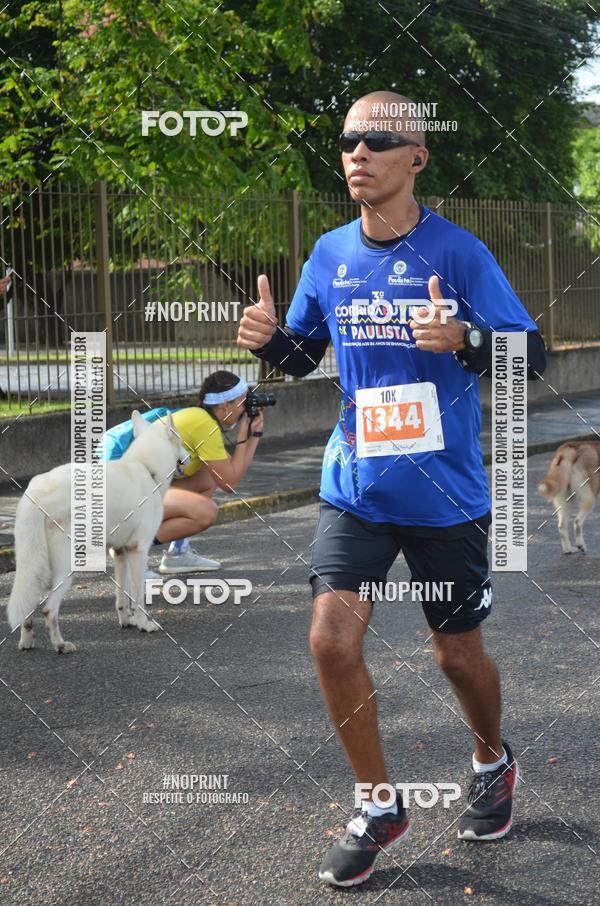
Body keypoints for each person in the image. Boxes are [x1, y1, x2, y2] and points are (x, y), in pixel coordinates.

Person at [237, 90, 547, 887]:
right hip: (357, 485)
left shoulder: (460, 253)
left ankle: (490, 758)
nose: (357, 153)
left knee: (456, 655)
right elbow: (307, 356)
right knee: (330, 640)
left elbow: (531, 356)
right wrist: (274, 342)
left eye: (377, 140)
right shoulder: (329, 255)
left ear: (418, 157)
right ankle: (378, 803)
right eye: (347, 141)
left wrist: (471, 338)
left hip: (446, 496)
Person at [103, 371, 264, 575]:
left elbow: (231, 472)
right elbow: (229, 484)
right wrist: (243, 435)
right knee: (206, 511)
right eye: (243, 404)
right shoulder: (205, 426)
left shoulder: (200, 419)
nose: (245, 411)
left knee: (208, 477)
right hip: (124, 496)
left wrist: (254, 435)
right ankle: (128, 550)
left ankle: (178, 553)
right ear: (225, 405)